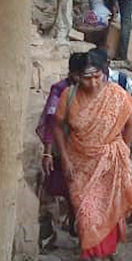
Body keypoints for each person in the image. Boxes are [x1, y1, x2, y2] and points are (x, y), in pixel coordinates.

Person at [52, 51, 132, 261]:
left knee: (110, 208)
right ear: (77, 77)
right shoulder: (68, 96)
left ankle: (111, 254)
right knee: (87, 212)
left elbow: (131, 124)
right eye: (87, 77)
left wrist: (123, 150)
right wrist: (65, 159)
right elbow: (58, 126)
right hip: (79, 162)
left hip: (110, 160)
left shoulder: (118, 95)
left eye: (97, 76)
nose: (93, 82)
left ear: (104, 73)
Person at [36, 53, 88, 246]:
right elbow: (51, 123)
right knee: (61, 188)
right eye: (82, 75)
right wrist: (48, 152)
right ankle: (55, 231)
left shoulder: (95, 89)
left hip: (87, 151)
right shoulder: (60, 90)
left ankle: (79, 229)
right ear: (73, 73)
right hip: (64, 150)